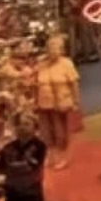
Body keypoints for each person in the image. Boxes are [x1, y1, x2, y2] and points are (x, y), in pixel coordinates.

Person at [30, 37, 79, 171]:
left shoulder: (67, 64)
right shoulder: (41, 64)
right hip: (43, 103)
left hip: (60, 103)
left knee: (60, 132)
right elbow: (34, 83)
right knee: (45, 132)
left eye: (56, 48)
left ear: (61, 50)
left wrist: (76, 102)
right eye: (50, 48)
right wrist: (34, 100)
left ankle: (61, 157)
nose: (52, 51)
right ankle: (49, 156)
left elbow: (74, 84)